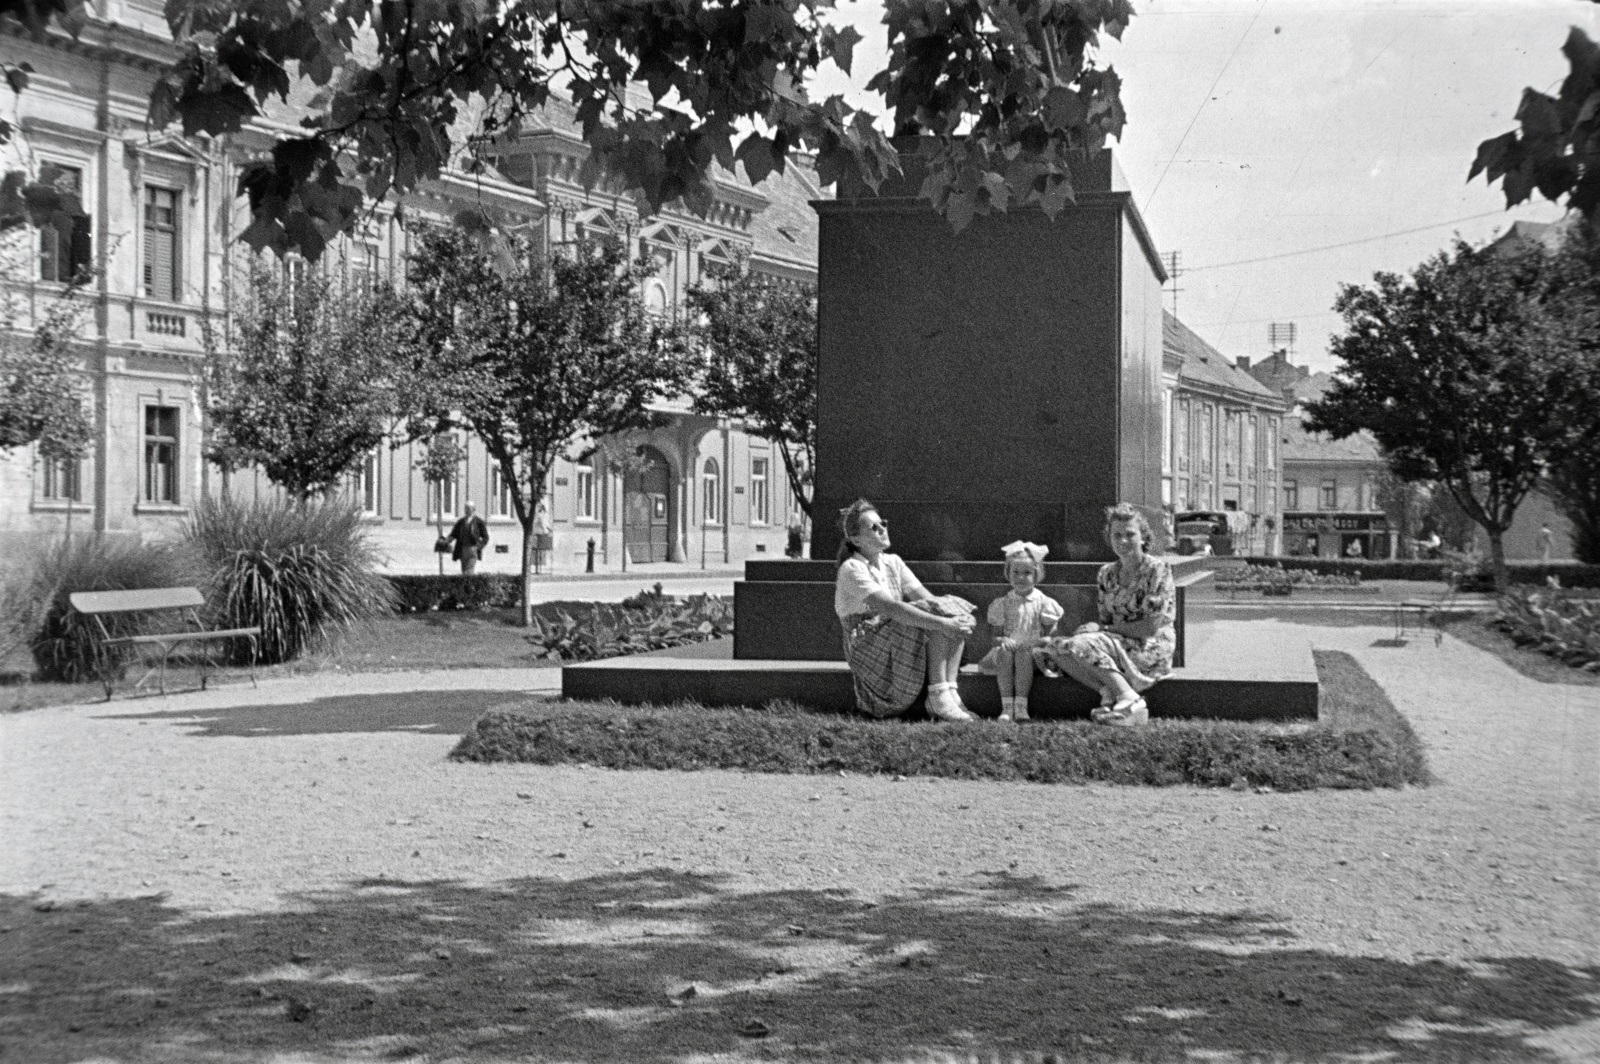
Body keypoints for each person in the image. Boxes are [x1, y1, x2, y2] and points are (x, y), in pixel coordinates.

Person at [834, 499, 977, 721]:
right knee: (932, 616)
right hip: (867, 643)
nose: (882, 529)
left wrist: (958, 617)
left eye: (883, 523)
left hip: (894, 632)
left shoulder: (893, 562)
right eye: (874, 527)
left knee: (948, 608)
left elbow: (930, 600)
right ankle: (938, 696)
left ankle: (948, 692)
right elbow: (891, 608)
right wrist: (943, 623)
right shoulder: (852, 568)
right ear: (855, 539)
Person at [1035, 503, 1176, 726]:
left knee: (1081, 645)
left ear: (1143, 537)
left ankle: (1131, 700)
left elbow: (1149, 627)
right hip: (1117, 642)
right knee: (1055, 646)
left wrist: (1103, 631)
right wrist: (1098, 629)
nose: (1123, 541)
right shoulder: (1106, 574)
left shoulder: (1157, 570)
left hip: (1150, 647)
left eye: (1130, 534)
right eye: (1116, 535)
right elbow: (1106, 621)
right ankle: (1111, 692)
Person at [979, 541, 1063, 722]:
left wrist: (1035, 642)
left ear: (1037, 574)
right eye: (1015, 572)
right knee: (1005, 652)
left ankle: (1021, 705)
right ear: (1008, 573)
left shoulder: (1043, 602)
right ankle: (1007, 706)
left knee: (1024, 653)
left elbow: (1052, 637)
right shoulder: (1002, 603)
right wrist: (1002, 640)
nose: (1020, 577)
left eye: (1027, 573)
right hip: (1008, 654)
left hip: (1033, 653)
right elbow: (994, 638)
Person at [447, 501, 490, 574]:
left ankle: (469, 584)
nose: (466, 510)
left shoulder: (478, 522)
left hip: (473, 549)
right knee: (464, 571)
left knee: (469, 571)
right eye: (465, 508)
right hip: (462, 549)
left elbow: (485, 537)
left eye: (468, 508)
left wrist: (479, 547)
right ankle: (467, 585)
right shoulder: (461, 522)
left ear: (473, 509)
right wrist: (446, 541)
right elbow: (454, 534)